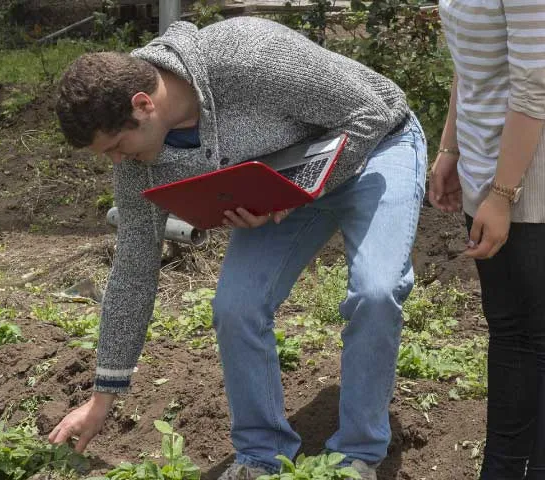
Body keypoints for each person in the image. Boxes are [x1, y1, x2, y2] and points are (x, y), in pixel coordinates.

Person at [46, 16, 427, 480]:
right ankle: (260, 456)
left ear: (143, 104)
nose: (117, 161)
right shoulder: (140, 164)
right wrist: (102, 396)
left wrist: (297, 190)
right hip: (282, 180)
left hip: (376, 146)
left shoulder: (246, 54)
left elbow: (370, 112)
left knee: (376, 289)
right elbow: (132, 268)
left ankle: (358, 454)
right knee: (236, 306)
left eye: (117, 146)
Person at [427, 0, 545, 478]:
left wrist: (503, 196)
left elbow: (535, 84)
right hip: (488, 173)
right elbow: (470, 65)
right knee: (509, 333)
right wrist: (452, 146)